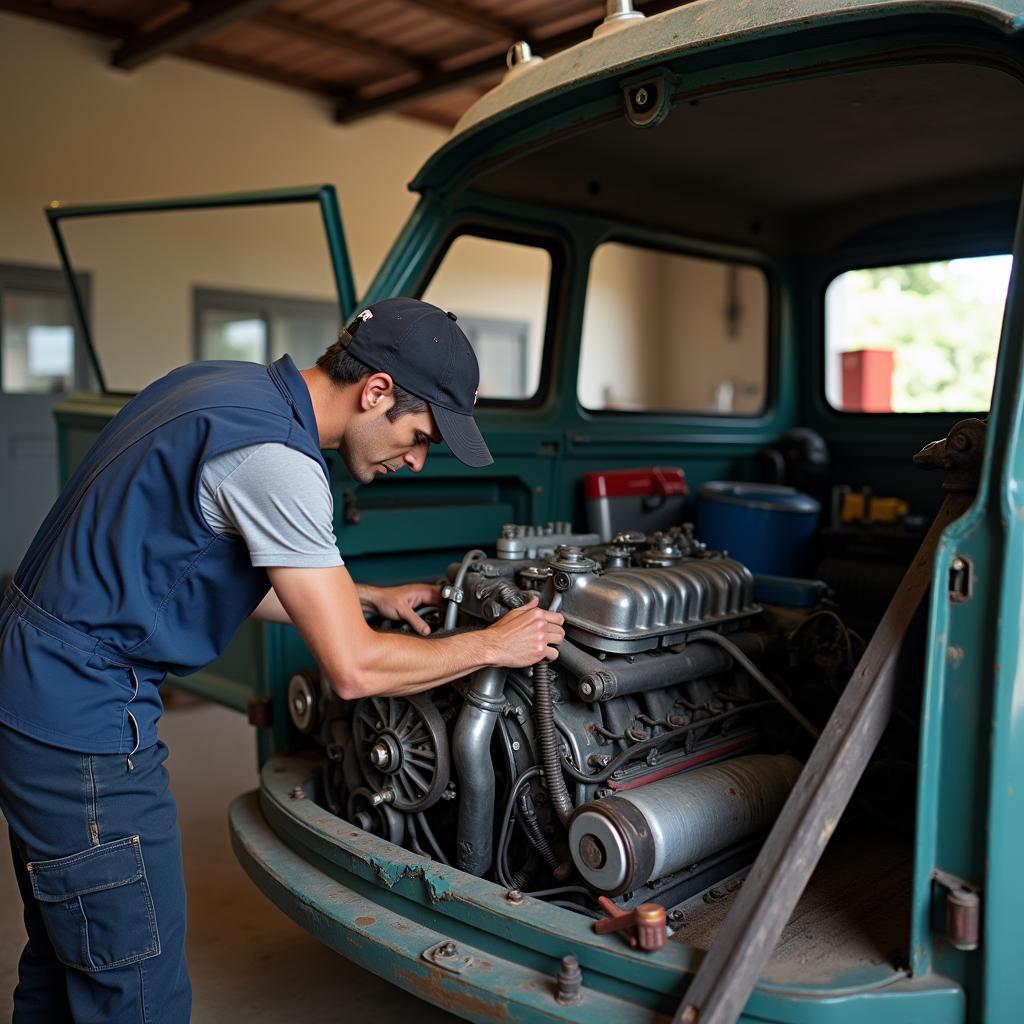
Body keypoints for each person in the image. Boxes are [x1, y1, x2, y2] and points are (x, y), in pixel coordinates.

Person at [0, 297, 564, 1023]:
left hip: (32, 679)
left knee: (62, 956)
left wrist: (363, 596)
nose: (417, 460)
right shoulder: (281, 462)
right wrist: (496, 644)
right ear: (377, 391)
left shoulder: (218, 387)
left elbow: (194, 571)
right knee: (132, 980)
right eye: (420, 435)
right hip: (85, 717)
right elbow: (354, 670)